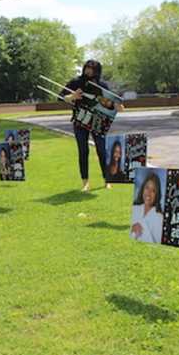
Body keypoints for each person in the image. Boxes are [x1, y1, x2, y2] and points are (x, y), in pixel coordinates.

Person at [61, 59, 124, 191]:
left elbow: (112, 102)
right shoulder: (76, 82)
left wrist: (118, 107)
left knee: (102, 150)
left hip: (98, 122)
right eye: (87, 67)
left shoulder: (102, 85)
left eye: (92, 68)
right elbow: (60, 96)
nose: (88, 70)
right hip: (80, 121)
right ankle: (85, 183)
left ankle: (107, 180)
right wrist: (72, 96)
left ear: (97, 71)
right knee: (83, 151)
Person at [131, 172, 164, 243]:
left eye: (153, 191)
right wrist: (132, 228)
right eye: (147, 188)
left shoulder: (160, 218)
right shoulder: (134, 208)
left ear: (157, 195)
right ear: (143, 189)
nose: (148, 193)